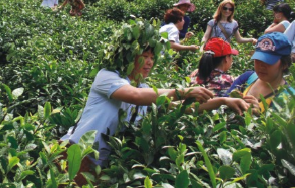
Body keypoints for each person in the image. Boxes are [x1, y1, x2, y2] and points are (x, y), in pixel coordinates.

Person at [60, 20, 215, 179]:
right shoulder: (107, 76)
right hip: (76, 154)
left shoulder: (145, 89)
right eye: (144, 56)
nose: (149, 62)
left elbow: (179, 107)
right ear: (129, 57)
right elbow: (135, 96)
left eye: (152, 57)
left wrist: (222, 102)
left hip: (102, 166)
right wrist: (184, 91)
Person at [226, 33, 295, 113]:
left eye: (268, 61)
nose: (261, 66)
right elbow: (223, 105)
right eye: (258, 60)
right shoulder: (247, 77)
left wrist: (259, 117)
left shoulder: (289, 97)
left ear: (285, 64)